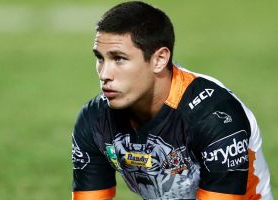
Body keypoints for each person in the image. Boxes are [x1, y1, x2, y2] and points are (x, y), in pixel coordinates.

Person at [71, 1, 273, 199]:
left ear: (159, 59)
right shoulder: (94, 120)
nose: (104, 73)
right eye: (100, 58)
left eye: (119, 59)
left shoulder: (213, 115)